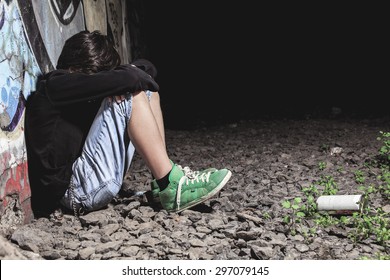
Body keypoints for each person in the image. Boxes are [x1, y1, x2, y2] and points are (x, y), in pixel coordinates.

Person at [24, 30, 232, 217]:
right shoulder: (55, 85)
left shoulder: (71, 90)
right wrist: (120, 82)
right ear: (77, 68)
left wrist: (123, 79)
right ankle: (170, 182)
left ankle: (163, 184)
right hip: (73, 193)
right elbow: (132, 77)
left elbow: (147, 69)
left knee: (148, 92)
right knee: (131, 93)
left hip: (87, 184)